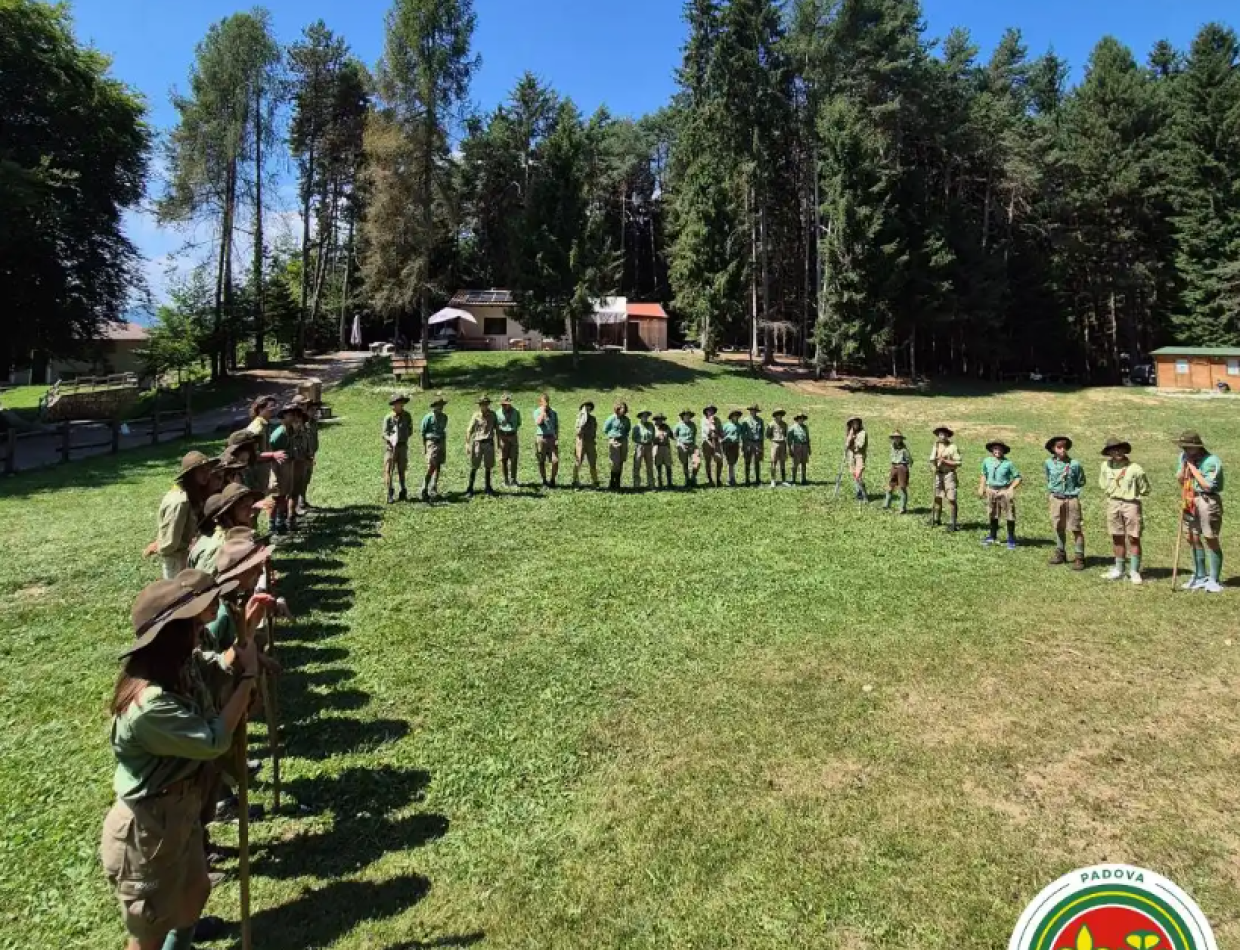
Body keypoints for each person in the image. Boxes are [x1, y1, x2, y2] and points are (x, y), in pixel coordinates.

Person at [101, 570, 261, 950]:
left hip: (179, 810)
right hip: (149, 827)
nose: (200, 629)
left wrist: (245, 638)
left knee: (195, 889)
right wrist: (248, 678)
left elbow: (210, 665)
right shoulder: (150, 705)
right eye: (192, 624)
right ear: (173, 635)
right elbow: (213, 740)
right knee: (149, 930)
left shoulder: (178, 666)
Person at [146, 452, 219, 580]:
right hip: (178, 560)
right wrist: (158, 546)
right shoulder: (179, 501)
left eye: (208, 470)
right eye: (202, 471)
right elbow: (170, 542)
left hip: (187, 555)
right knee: (179, 594)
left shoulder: (192, 493)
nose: (207, 474)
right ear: (191, 474)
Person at [1176, 431, 1225, 593]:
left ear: (1197, 446)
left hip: (1207, 501)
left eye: (1189, 446)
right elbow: (1180, 480)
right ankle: (1200, 575)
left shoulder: (1212, 461)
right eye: (1184, 446)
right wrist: (1183, 469)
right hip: (1190, 499)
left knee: (1210, 537)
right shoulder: (1183, 457)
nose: (1186, 449)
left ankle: (1214, 579)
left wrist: (1192, 467)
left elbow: (1207, 485)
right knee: (1193, 536)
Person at [1099, 436, 1150, 584]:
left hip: (1131, 504)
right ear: (1109, 453)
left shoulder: (1135, 469)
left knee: (1134, 537)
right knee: (1117, 536)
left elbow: (1145, 489)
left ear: (1125, 450)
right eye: (1114, 450)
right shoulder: (1105, 466)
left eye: (1120, 449)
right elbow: (1103, 484)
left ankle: (1134, 571)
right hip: (1113, 503)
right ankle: (1119, 568)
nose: (1118, 452)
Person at [189, 484, 262, 574]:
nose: (252, 513)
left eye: (251, 506)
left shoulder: (245, 535)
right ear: (230, 510)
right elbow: (205, 582)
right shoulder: (218, 547)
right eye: (244, 507)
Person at [1044, 436, 1086, 571]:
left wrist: (1073, 491)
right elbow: (1048, 478)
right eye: (1059, 447)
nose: (1062, 450)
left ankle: (1079, 557)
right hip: (1056, 498)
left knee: (1076, 528)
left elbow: (1081, 480)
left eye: (1064, 447)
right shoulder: (1048, 463)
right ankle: (1060, 553)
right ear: (1053, 449)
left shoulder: (1075, 464)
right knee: (1058, 526)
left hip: (1071, 499)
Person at [269, 404, 312, 533]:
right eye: (290, 415)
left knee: (286, 495)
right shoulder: (280, 433)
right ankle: (273, 526)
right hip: (280, 467)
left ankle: (281, 522)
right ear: (284, 417)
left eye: (295, 415)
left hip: (290, 465)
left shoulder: (291, 431)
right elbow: (273, 451)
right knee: (278, 496)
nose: (293, 417)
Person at [978, 440, 1022, 549]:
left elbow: (1018, 477)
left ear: (1003, 451)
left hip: (1004, 490)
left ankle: (1011, 538)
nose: (997, 451)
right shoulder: (987, 461)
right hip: (991, 490)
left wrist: (1011, 488)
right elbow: (984, 474)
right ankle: (992, 536)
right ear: (992, 450)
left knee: (1009, 514)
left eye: (1000, 449)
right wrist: (981, 487)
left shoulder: (1008, 463)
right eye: (995, 449)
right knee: (993, 513)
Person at [245, 396, 284, 494]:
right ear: (261, 409)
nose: (274, 409)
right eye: (270, 407)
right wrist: (273, 455)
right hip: (256, 471)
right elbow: (253, 454)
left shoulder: (265, 425)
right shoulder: (257, 428)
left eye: (274, 406)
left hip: (264, 468)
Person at [465, 395, 499, 498]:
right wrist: (467, 443)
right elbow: (469, 430)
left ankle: (488, 487)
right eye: (482, 404)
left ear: (488, 404)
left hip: (489, 443)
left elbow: (497, 429)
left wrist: (499, 443)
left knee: (488, 466)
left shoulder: (493, 415)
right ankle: (470, 488)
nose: (484, 406)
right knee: (474, 465)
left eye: (485, 404)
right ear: (479, 405)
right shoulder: (476, 415)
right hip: (478, 443)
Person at [382, 393, 413, 504]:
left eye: (401, 403)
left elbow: (410, 430)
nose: (400, 405)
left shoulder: (407, 416)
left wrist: (403, 436)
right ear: (393, 405)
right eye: (398, 403)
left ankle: (403, 490)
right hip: (391, 448)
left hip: (402, 447)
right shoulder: (388, 418)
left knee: (402, 469)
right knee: (389, 470)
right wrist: (390, 439)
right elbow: (384, 433)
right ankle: (390, 492)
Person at [929, 426, 961, 531]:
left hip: (949, 474)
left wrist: (945, 461)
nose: (942, 436)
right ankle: (936, 519)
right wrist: (933, 467)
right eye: (940, 434)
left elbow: (958, 462)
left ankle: (953, 523)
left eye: (944, 434)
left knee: (951, 498)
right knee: (937, 497)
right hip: (938, 474)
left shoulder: (953, 447)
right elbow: (932, 459)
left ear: (948, 435)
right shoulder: (936, 445)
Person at [293, 396, 320, 514]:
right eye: (302, 405)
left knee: (306, 479)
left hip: (309, 454)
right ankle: (295, 507)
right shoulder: (296, 422)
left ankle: (302, 501)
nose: (304, 407)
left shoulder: (308, 421)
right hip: (299, 456)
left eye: (305, 405)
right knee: (297, 481)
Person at [420, 394, 449, 501]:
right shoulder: (428, 417)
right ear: (434, 406)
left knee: (438, 465)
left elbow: (443, 428)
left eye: (441, 405)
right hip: (431, 443)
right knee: (431, 465)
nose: (440, 407)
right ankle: (424, 489)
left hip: (441, 442)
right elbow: (423, 432)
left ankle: (433, 487)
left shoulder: (444, 417)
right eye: (438, 405)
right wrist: (424, 447)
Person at [533, 393, 560, 488]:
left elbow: (556, 426)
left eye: (547, 401)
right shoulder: (537, 411)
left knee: (555, 460)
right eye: (544, 402)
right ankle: (544, 480)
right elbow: (538, 422)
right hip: (541, 437)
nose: (546, 404)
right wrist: (543, 412)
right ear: (540, 402)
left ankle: (552, 480)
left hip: (552, 438)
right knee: (541, 461)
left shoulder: (554, 412)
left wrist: (557, 438)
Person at [603, 402, 631, 491]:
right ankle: (612, 482)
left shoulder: (626, 419)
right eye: (622, 408)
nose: (623, 410)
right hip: (614, 441)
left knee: (621, 461)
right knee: (615, 462)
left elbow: (628, 429)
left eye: (624, 408)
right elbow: (605, 429)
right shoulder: (611, 418)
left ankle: (618, 483)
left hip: (623, 440)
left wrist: (623, 436)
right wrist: (612, 436)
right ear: (617, 408)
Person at [496, 394, 522, 488]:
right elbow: (497, 428)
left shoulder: (516, 412)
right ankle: (505, 480)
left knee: (514, 459)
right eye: (502, 404)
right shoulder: (497, 413)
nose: (503, 406)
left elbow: (519, 423)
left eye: (505, 404)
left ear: (510, 404)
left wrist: (511, 431)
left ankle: (513, 480)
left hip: (513, 437)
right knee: (503, 459)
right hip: (503, 437)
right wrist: (498, 441)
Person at [573, 401, 599, 489]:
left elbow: (594, 431)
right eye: (585, 407)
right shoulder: (578, 418)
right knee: (578, 461)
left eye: (589, 407)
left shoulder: (593, 419)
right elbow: (577, 432)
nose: (588, 408)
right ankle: (575, 480)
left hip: (590, 443)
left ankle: (595, 481)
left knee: (593, 462)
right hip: (580, 443)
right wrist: (582, 422)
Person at [884, 431, 911, 513]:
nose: (896, 439)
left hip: (902, 468)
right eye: (894, 437)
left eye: (898, 437)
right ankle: (886, 505)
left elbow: (910, 460)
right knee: (890, 486)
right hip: (893, 467)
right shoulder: (892, 446)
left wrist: (904, 466)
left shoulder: (904, 449)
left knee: (902, 488)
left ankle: (902, 508)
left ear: (901, 439)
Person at [672, 410, 701, 487]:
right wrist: (680, 443)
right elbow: (674, 435)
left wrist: (693, 443)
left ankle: (693, 478)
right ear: (683, 416)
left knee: (697, 462)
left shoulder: (693, 424)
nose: (687, 416)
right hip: (682, 445)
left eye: (689, 415)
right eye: (686, 415)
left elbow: (694, 433)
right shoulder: (678, 425)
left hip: (692, 445)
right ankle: (687, 479)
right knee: (685, 463)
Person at [631, 410, 656, 489]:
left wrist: (650, 442)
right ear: (640, 417)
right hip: (640, 447)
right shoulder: (636, 427)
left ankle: (651, 484)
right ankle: (636, 484)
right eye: (643, 416)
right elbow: (633, 438)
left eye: (646, 416)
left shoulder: (651, 425)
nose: (645, 417)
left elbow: (653, 435)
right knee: (637, 465)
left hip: (649, 446)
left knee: (650, 465)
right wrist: (641, 442)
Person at [700, 406, 724, 487]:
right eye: (708, 410)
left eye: (712, 410)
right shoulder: (703, 420)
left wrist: (718, 433)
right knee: (708, 461)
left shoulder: (717, 420)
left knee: (719, 460)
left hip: (716, 442)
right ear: (706, 412)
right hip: (707, 442)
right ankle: (710, 479)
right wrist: (711, 426)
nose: (710, 412)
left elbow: (721, 431)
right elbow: (705, 432)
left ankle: (718, 479)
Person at [741, 404, 765, 486]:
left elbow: (762, 434)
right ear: (750, 411)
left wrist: (761, 446)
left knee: (757, 462)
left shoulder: (760, 420)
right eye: (751, 410)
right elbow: (743, 434)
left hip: (757, 443)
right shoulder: (745, 421)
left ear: (756, 412)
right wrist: (744, 445)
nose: (753, 412)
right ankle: (747, 480)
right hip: (749, 443)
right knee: (747, 461)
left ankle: (758, 479)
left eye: (754, 410)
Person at [845, 417, 868, 501]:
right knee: (854, 475)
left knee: (858, 475)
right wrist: (850, 437)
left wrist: (854, 439)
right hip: (851, 456)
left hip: (859, 456)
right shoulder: (850, 433)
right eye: (853, 424)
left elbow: (860, 445)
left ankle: (864, 494)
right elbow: (846, 445)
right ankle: (858, 492)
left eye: (856, 423)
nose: (855, 425)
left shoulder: (863, 433)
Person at [766, 409, 791, 488]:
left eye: (780, 415)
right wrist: (773, 440)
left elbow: (786, 435)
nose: (779, 416)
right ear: (775, 415)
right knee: (773, 462)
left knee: (782, 462)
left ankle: (783, 480)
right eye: (778, 414)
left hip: (783, 444)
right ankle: (773, 480)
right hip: (775, 444)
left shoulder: (784, 424)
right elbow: (767, 434)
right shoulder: (771, 424)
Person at [788, 413, 811, 486]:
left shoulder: (805, 427)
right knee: (795, 464)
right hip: (796, 446)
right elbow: (789, 440)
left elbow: (807, 438)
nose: (801, 419)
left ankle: (803, 479)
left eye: (802, 418)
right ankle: (793, 479)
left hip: (804, 446)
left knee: (804, 463)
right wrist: (790, 449)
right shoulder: (792, 428)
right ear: (797, 419)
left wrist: (809, 448)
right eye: (800, 418)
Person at [722, 410, 744, 486]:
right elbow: (722, 434)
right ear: (731, 416)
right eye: (735, 415)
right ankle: (730, 479)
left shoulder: (739, 426)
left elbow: (741, 435)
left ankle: (732, 478)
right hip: (728, 445)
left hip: (735, 445)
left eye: (737, 415)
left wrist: (741, 445)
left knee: (733, 461)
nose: (736, 417)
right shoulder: (726, 425)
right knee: (730, 462)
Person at [652, 414, 675, 488]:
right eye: (658, 419)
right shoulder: (653, 427)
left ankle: (669, 483)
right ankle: (659, 483)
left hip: (666, 448)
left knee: (668, 466)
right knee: (658, 466)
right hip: (656, 447)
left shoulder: (666, 427)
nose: (660, 421)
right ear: (655, 420)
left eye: (661, 419)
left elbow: (672, 436)